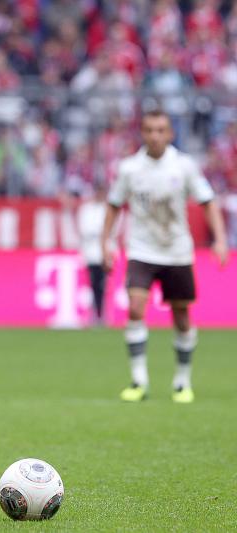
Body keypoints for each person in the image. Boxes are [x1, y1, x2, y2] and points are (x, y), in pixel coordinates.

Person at [102, 110, 228, 404]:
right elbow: (113, 205)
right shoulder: (130, 168)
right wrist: (106, 242)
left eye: (160, 130)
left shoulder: (183, 166)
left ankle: (182, 382)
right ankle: (138, 381)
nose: (155, 136)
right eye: (149, 130)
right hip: (142, 249)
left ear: (170, 134)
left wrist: (220, 239)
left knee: (181, 315)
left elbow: (208, 202)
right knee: (135, 307)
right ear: (142, 134)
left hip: (176, 250)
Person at [78, 183, 113, 326]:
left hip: (105, 253)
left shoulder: (108, 209)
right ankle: (93, 314)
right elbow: (85, 230)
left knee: (104, 285)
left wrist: (100, 234)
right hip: (91, 254)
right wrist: (100, 233)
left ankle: (103, 314)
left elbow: (111, 230)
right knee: (93, 285)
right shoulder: (86, 209)